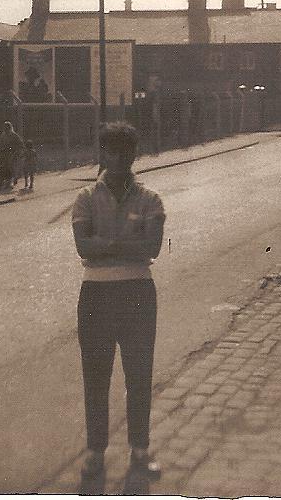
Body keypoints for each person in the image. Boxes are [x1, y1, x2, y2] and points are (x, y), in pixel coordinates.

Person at [71, 121, 165, 492]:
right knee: (96, 378)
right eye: (112, 151)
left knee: (139, 375)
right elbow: (83, 247)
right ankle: (95, 452)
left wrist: (105, 242)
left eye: (126, 152)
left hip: (139, 295)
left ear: (133, 155)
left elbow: (152, 248)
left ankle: (140, 450)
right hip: (96, 296)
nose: (119, 159)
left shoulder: (151, 198)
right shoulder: (85, 198)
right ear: (103, 155)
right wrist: (128, 241)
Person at [0, 121, 23, 188]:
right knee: (6, 167)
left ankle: (12, 180)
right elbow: (1, 143)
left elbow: (20, 144)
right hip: (5, 153)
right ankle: (8, 180)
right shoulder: (3, 135)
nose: (5, 129)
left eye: (7, 128)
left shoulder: (14, 135)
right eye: (5, 128)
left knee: (11, 167)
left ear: (10, 128)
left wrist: (16, 150)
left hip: (13, 153)